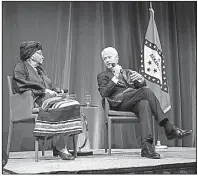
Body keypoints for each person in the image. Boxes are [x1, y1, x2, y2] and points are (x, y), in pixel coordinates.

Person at [97, 47, 192, 159]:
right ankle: (168, 127)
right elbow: (104, 93)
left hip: (132, 102)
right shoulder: (103, 75)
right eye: (105, 58)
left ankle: (147, 148)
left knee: (145, 103)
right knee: (146, 92)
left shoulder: (128, 72)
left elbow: (139, 87)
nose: (107, 60)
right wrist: (116, 77)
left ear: (117, 58)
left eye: (109, 57)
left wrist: (141, 80)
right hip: (118, 103)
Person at [13, 41, 82, 160]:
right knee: (63, 106)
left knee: (73, 104)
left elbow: (50, 86)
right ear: (31, 55)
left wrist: (58, 91)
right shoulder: (21, 67)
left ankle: (58, 143)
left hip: (48, 98)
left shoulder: (40, 70)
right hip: (35, 100)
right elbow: (20, 84)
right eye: (39, 53)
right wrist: (43, 90)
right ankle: (60, 147)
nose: (42, 56)